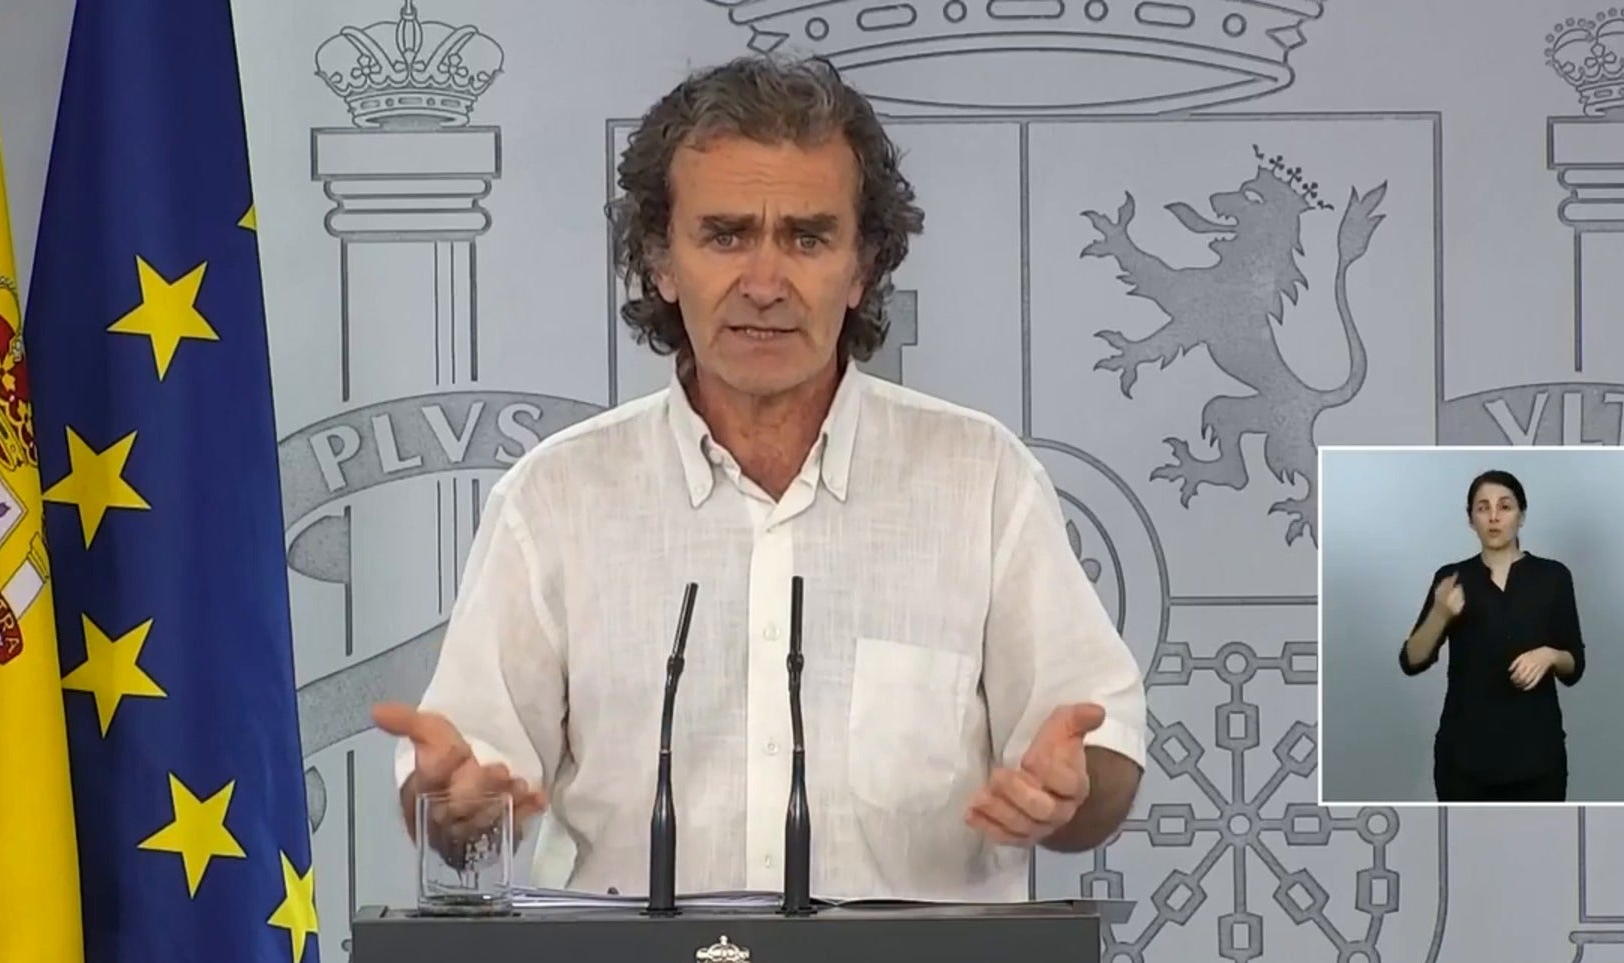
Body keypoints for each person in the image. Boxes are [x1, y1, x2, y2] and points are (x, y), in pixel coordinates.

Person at [372, 53, 1150, 902]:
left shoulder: (981, 480)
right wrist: (454, 805)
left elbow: (1099, 757)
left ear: (861, 268)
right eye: (726, 235)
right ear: (661, 262)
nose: (766, 284)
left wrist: (1072, 789)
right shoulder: (555, 499)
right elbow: (462, 782)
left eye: (808, 238)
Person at [1398, 469, 1585, 802]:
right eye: (1483, 508)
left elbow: (1575, 666)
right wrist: (1440, 615)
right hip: (1463, 761)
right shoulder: (1452, 578)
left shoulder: (1553, 577)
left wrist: (1549, 655)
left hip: (1538, 759)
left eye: (1505, 506)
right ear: (1471, 519)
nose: (1494, 516)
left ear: (1521, 515)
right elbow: (1411, 660)